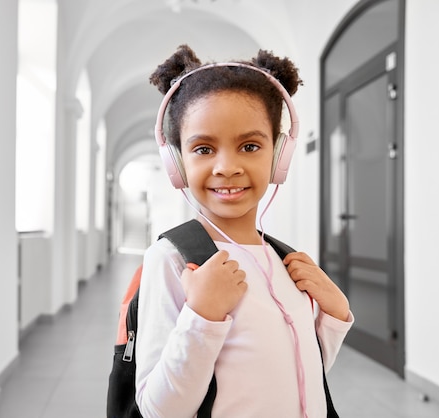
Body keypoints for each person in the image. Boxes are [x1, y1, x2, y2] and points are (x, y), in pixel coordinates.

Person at [135, 44, 354, 417]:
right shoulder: (172, 260)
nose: (226, 167)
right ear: (176, 163)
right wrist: (202, 317)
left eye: (250, 146)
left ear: (278, 156)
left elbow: (293, 375)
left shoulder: (284, 260)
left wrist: (334, 315)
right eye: (203, 149)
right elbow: (159, 410)